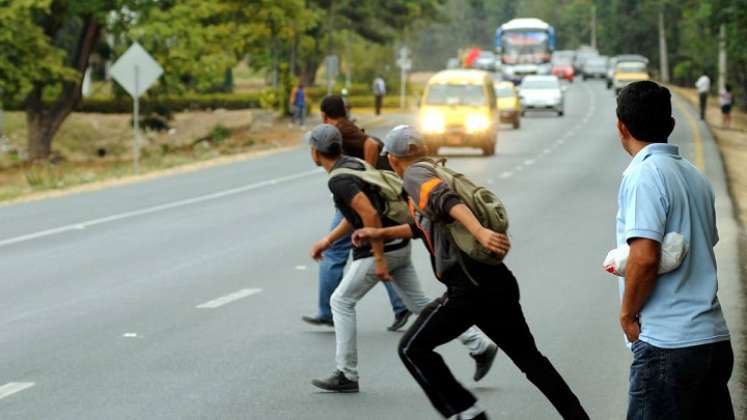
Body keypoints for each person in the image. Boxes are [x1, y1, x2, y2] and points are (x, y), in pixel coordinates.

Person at [353, 126, 589, 420]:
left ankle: (467, 413)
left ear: (391, 159)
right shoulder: (432, 168)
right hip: (495, 282)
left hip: (469, 288)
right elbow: (424, 224)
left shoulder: (414, 175)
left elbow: (445, 200)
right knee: (532, 361)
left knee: (413, 349)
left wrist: (480, 232)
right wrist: (379, 232)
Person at [305, 124, 498, 393]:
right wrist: (327, 241)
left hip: (382, 248)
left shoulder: (339, 179)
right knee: (418, 302)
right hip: (399, 244)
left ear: (316, 152)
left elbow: (369, 215)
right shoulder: (353, 165)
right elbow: (358, 214)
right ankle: (480, 345)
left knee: (341, 301)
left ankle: (346, 373)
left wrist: (379, 259)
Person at [613, 81, 733, 419]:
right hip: (712, 340)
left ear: (622, 126)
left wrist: (626, 313)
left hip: (669, 345)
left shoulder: (644, 175)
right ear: (671, 124)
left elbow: (646, 255)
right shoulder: (695, 177)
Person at [302, 95, 411, 331]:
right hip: (358, 197)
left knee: (337, 255)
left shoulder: (338, 130)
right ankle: (401, 304)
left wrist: (367, 177)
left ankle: (326, 311)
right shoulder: (340, 132)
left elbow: (371, 145)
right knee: (372, 255)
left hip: (358, 198)